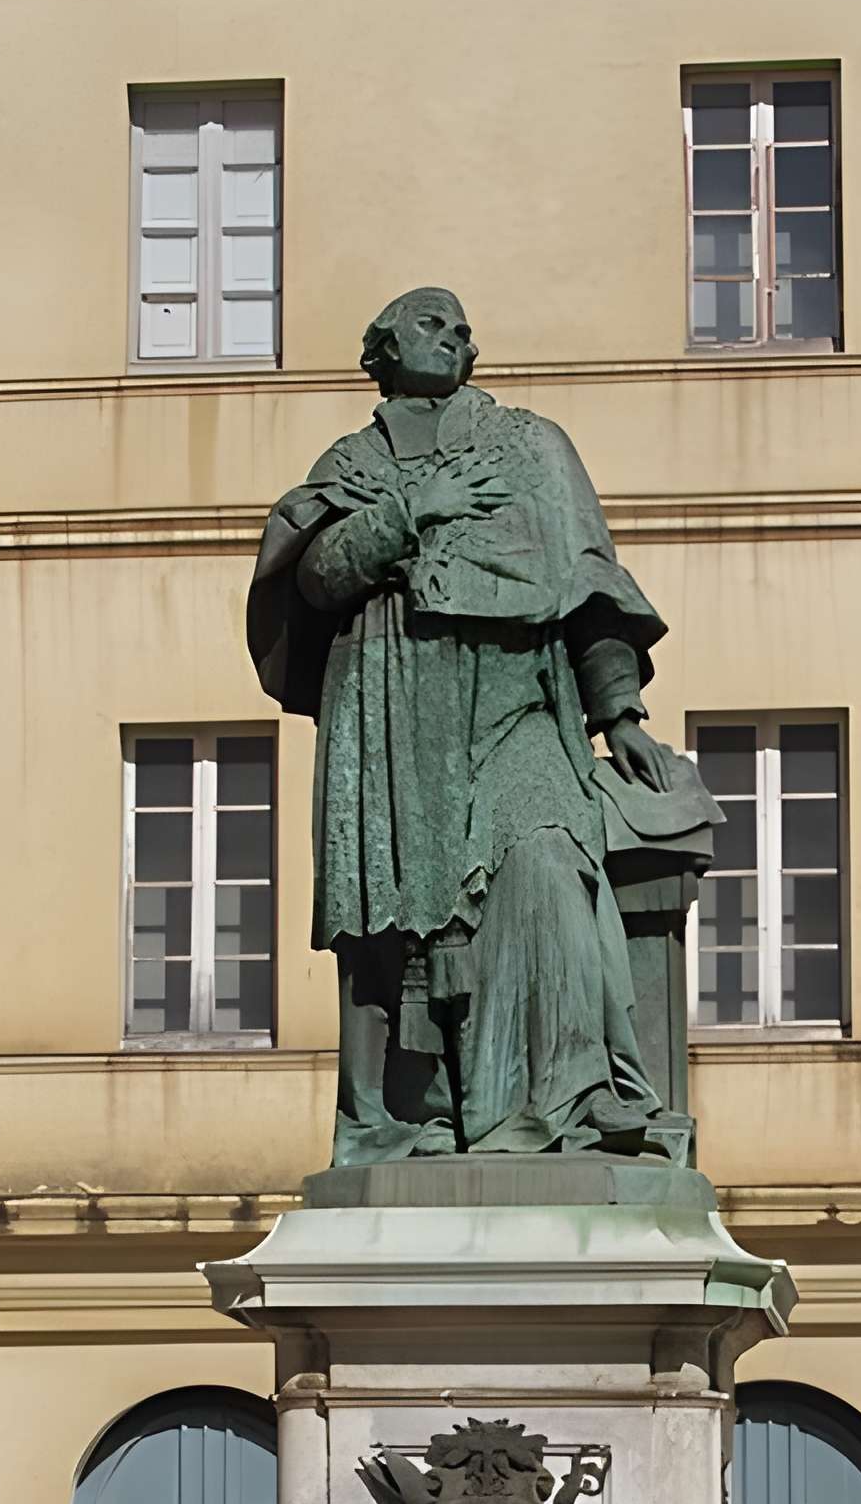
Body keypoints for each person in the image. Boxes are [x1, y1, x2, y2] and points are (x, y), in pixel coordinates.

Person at [248, 286, 692, 1165]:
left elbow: (590, 582)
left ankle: (568, 1098)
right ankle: (422, 1113)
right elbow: (315, 579)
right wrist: (410, 514)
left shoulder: (531, 446)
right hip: (391, 705)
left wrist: (620, 710)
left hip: (516, 696)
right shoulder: (349, 465)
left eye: (461, 327)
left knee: (550, 861)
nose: (452, 334)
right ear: (377, 351)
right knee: (404, 926)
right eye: (427, 322)